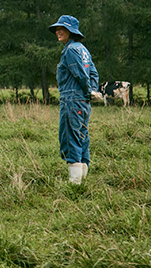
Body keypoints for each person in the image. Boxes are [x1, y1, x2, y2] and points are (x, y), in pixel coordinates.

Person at [49, 14, 99, 184]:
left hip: (72, 100)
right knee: (82, 137)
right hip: (84, 102)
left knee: (71, 139)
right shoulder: (83, 49)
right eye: (57, 29)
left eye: (61, 28)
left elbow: (81, 74)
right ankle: (83, 181)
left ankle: (75, 184)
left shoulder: (70, 50)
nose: (58, 31)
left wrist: (86, 90)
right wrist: (92, 92)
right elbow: (93, 73)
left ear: (71, 31)